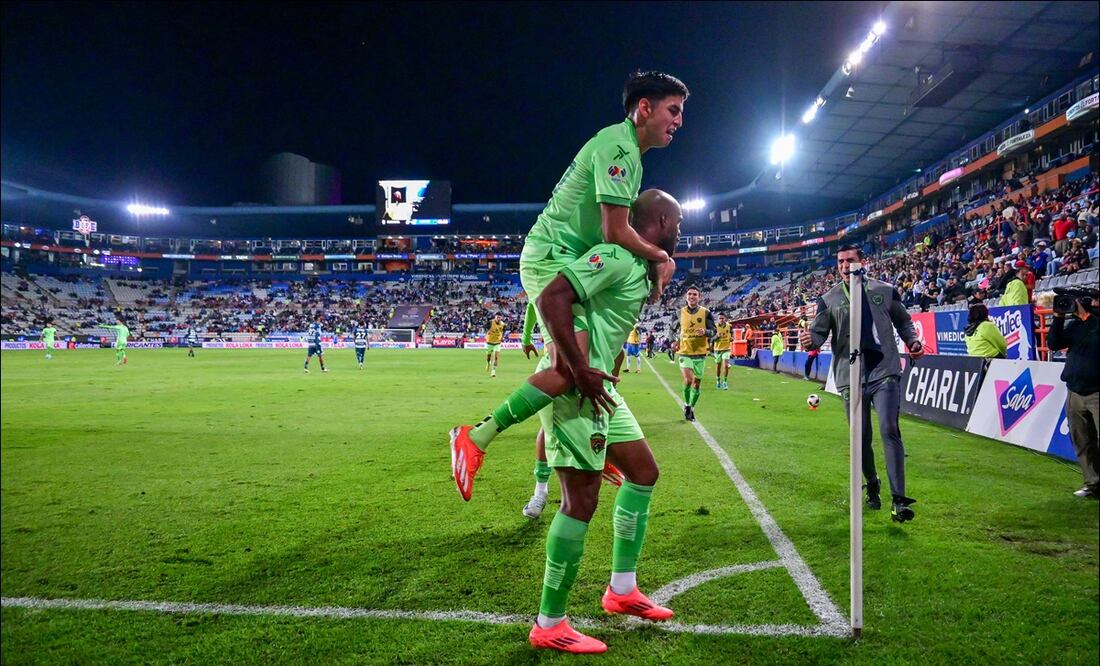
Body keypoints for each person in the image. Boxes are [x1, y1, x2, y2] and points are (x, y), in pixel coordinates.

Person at [450, 70, 688, 502]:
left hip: (567, 259)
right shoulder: (619, 147)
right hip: (552, 256)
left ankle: (597, 446)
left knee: (591, 363)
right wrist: (661, 256)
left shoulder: (627, 152)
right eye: (673, 110)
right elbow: (615, 231)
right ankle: (475, 436)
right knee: (569, 368)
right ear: (645, 108)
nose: (679, 121)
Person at [525, 189, 683, 654]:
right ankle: (549, 623)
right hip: (579, 386)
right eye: (677, 223)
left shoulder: (636, 263)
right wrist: (578, 369)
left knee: (643, 472)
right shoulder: (614, 255)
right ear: (659, 220)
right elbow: (553, 295)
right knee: (581, 501)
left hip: (602, 389)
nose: (680, 233)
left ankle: (622, 590)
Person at [800, 245, 925, 523]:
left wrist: (913, 341)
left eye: (850, 260)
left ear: (862, 262)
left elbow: (904, 322)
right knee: (862, 437)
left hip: (884, 371)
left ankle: (899, 500)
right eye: (841, 261)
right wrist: (811, 341)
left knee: (889, 428)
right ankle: (873, 482)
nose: (845, 265)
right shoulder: (828, 299)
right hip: (850, 376)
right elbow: (818, 334)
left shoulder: (884, 290)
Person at [1048, 291, 1100, 499]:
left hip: (1097, 391)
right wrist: (1058, 318)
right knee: (1082, 440)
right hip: (1074, 390)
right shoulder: (1076, 325)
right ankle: (1093, 483)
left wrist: (1087, 316)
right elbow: (1053, 344)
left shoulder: (1094, 323)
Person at [673, 286, 715, 421]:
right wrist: (673, 341)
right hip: (684, 352)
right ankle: (686, 404)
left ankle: (691, 406)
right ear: (686, 297)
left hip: (701, 353)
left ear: (699, 297)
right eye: (689, 294)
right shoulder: (679, 313)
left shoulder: (706, 313)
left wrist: (706, 332)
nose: (692, 296)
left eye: (695, 294)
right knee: (688, 380)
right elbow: (672, 329)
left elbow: (714, 331)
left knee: (697, 383)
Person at [712, 314, 732, 390]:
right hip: (717, 349)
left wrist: (732, 338)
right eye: (720, 318)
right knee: (718, 366)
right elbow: (711, 338)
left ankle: (725, 382)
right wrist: (716, 337)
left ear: (725, 318)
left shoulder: (729, 326)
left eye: (722, 318)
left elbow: (731, 334)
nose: (721, 319)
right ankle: (718, 380)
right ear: (718, 319)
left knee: (726, 365)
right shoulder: (715, 327)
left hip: (726, 348)